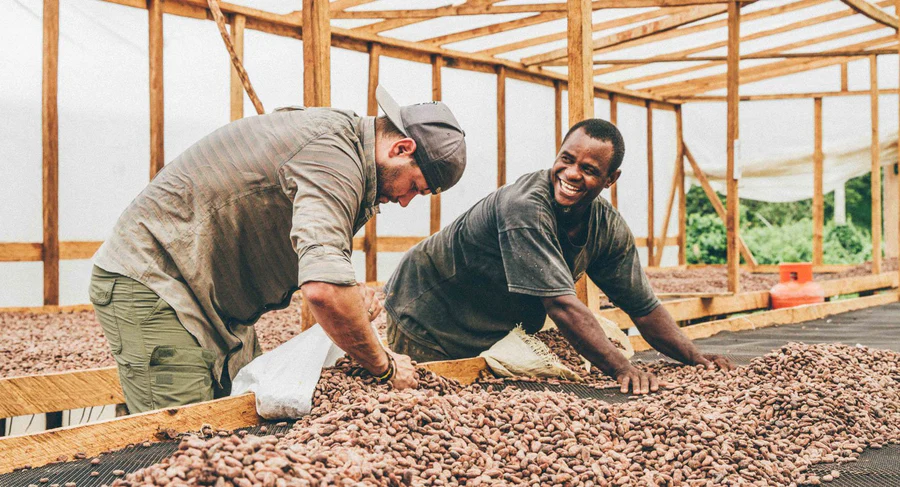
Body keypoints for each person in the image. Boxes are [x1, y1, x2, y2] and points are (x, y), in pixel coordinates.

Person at [90, 87, 466, 413]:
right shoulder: (334, 159)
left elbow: (324, 261)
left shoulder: (345, 147)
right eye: (415, 187)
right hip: (157, 282)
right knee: (181, 446)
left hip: (215, 304)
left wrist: (351, 293)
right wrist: (383, 366)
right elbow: (323, 291)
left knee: (242, 413)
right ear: (402, 148)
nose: (405, 202)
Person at [383, 118, 733, 395]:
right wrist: (621, 367)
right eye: (567, 159)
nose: (571, 174)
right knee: (433, 395)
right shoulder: (525, 208)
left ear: (611, 179)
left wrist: (693, 356)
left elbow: (643, 307)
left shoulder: (607, 228)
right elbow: (562, 306)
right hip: (427, 313)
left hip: (491, 324)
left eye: (589, 169)